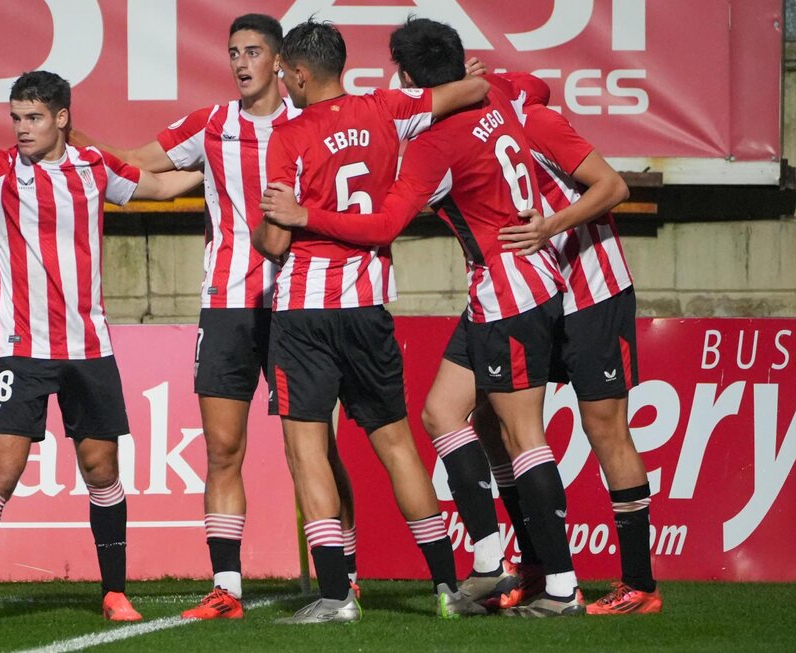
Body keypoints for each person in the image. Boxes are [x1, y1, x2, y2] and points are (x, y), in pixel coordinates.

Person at [261, 17, 587, 618]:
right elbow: (533, 87)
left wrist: (304, 215)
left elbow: (378, 226)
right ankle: (477, 569)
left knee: (520, 435)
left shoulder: (431, 147)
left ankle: (562, 587)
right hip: (497, 287)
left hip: (496, 289)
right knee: (434, 418)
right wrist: (476, 84)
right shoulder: (473, 96)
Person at [70, 13, 361, 619]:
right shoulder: (211, 124)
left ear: (280, 63)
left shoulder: (309, 125)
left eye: (253, 51)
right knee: (223, 448)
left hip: (297, 303)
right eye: (233, 51)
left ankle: (346, 576)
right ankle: (227, 587)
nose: (240, 62)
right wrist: (73, 145)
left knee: (315, 449)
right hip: (225, 305)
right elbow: (142, 164)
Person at [0, 64, 202, 626]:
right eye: (17, 117)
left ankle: (114, 593)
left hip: (90, 348)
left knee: (100, 468)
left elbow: (161, 187)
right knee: (2, 468)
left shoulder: (94, 168)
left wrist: (220, 169)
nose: (22, 128)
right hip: (23, 349)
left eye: (34, 117)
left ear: (62, 119)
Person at [252, 19, 491, 623]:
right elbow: (462, 91)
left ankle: (336, 596)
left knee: (308, 450)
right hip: (368, 309)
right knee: (397, 446)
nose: (282, 82)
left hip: (306, 314)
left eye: (283, 73)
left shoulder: (289, 136)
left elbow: (276, 242)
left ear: (301, 75)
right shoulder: (387, 107)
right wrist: (480, 79)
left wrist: (268, 224)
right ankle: (446, 588)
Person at [463, 73, 660, 614]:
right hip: (531, 298)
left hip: (592, 291)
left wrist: (550, 226)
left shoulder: (535, 121)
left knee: (605, 427)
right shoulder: (482, 132)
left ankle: (639, 585)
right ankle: (537, 566)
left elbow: (613, 186)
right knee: (490, 421)